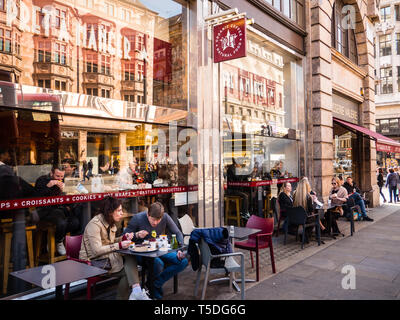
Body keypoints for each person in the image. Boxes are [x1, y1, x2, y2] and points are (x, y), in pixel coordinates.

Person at [79, 196, 150, 300]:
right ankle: (136, 292)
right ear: (110, 212)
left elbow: (109, 242)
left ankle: (136, 291)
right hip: (92, 262)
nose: (122, 213)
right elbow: (96, 250)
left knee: (130, 255)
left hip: (107, 258)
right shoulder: (94, 225)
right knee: (128, 272)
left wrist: (127, 237)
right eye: (119, 210)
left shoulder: (110, 223)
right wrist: (119, 245)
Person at [124, 202, 188, 300]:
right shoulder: (138, 218)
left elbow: (178, 233)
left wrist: (179, 249)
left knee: (183, 261)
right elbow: (125, 237)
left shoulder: (165, 217)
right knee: (158, 263)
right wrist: (136, 234)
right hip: (141, 252)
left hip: (158, 249)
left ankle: (154, 284)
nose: (155, 223)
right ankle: (154, 290)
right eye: (153, 219)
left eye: (158, 220)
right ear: (148, 214)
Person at [34, 165, 81, 255]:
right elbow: (36, 197)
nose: (59, 179)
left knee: (75, 222)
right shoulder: (42, 180)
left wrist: (66, 192)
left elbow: (70, 199)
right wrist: (48, 186)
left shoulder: (64, 182)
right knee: (61, 222)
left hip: (60, 210)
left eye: (61, 176)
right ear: (52, 173)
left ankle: (56, 239)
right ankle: (59, 242)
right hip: (45, 211)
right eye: (57, 176)